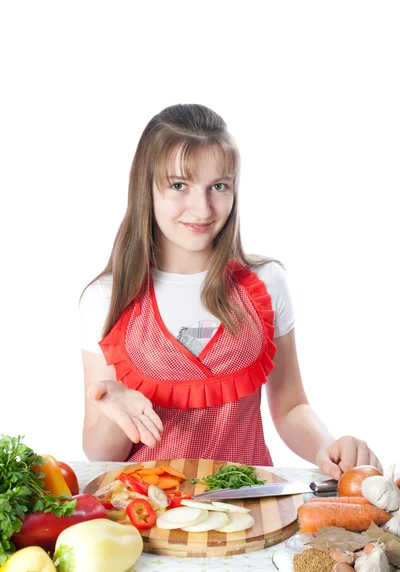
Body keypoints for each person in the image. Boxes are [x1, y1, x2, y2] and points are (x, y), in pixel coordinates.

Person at [80, 103, 382, 480]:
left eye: (218, 186)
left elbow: (290, 406)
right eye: (179, 185)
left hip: (251, 508)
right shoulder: (107, 298)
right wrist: (116, 401)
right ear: (147, 188)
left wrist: (327, 448)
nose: (202, 208)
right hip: (151, 514)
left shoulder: (267, 283)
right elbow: (98, 453)